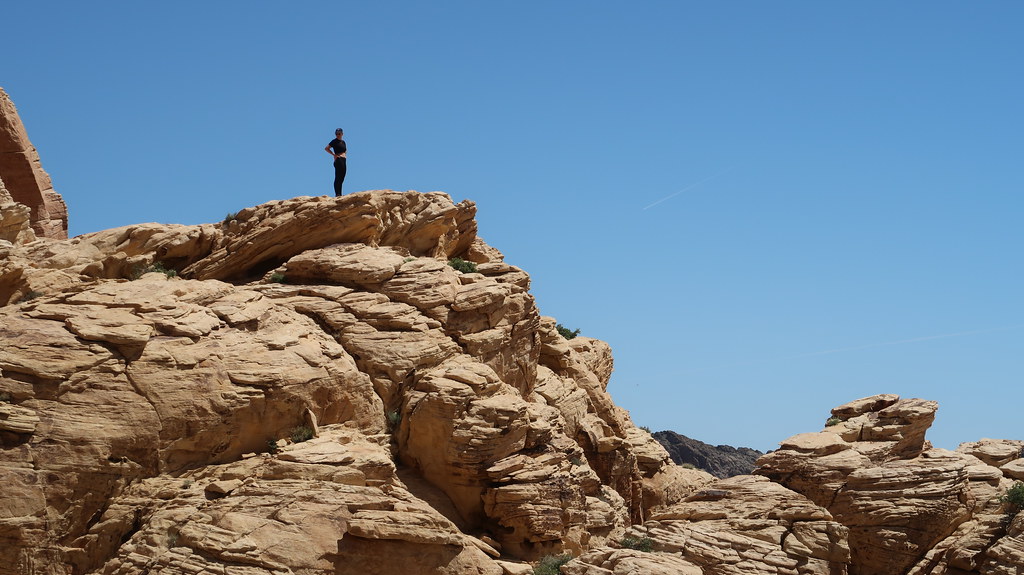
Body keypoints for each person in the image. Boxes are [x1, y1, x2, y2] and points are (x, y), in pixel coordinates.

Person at [324, 128, 347, 196]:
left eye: (339, 133)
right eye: (336, 134)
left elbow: (345, 150)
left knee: (342, 177)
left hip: (344, 160)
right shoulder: (334, 141)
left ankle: (340, 193)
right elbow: (326, 148)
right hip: (338, 160)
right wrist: (333, 155)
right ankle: (338, 194)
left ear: (342, 134)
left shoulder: (343, 142)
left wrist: (344, 155)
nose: (338, 135)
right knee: (338, 177)